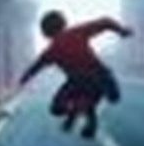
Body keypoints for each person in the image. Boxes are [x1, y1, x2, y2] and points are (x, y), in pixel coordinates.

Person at [18, 10, 132, 138]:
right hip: (98, 76)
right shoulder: (76, 32)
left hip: (78, 82)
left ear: (45, 33)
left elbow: (36, 67)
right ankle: (83, 112)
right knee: (112, 97)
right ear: (63, 23)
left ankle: (77, 111)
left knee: (57, 108)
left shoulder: (51, 51)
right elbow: (105, 21)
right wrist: (121, 31)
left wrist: (24, 79)